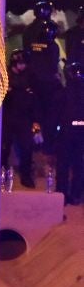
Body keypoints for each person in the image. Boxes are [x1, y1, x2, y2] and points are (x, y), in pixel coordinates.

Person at [22, 10, 62, 150]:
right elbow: (53, 66)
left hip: (34, 83)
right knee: (50, 115)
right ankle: (48, 144)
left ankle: (35, 142)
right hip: (48, 86)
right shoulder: (53, 47)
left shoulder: (33, 43)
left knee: (35, 115)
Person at [1, 49, 37, 188]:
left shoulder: (29, 76)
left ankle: (26, 175)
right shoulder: (6, 76)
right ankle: (1, 173)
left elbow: (34, 99)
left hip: (24, 118)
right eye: (21, 63)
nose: (24, 66)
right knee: (4, 148)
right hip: (8, 117)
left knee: (27, 148)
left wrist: (35, 120)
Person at [55, 61, 84, 205]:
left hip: (67, 132)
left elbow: (57, 113)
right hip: (79, 133)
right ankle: (75, 194)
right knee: (78, 165)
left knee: (64, 165)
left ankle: (62, 194)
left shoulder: (64, 92)